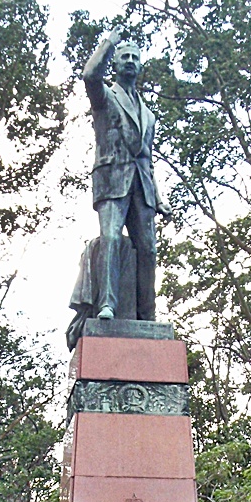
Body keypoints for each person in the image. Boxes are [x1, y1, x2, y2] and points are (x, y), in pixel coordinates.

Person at [83, 26, 171, 323]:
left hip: (142, 187)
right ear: (117, 64)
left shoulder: (149, 115)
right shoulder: (105, 97)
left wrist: (159, 198)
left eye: (135, 57)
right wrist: (110, 43)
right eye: (125, 57)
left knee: (148, 250)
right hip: (112, 180)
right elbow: (90, 75)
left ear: (140, 66)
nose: (131, 60)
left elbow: (148, 159)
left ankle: (147, 314)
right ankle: (106, 305)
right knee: (110, 238)